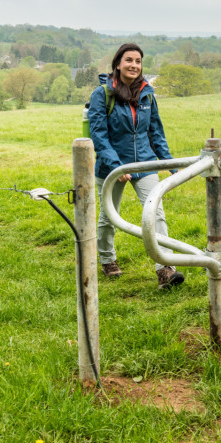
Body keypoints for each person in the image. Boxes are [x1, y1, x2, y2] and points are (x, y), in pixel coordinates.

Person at [88, 43, 183, 289]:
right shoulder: (102, 94)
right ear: (118, 64)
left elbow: (155, 132)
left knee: (155, 214)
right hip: (111, 167)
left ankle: (165, 268)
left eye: (138, 61)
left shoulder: (147, 93)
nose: (134, 65)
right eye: (129, 60)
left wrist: (172, 164)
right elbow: (99, 135)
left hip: (145, 163)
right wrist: (116, 165)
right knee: (109, 216)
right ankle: (108, 260)